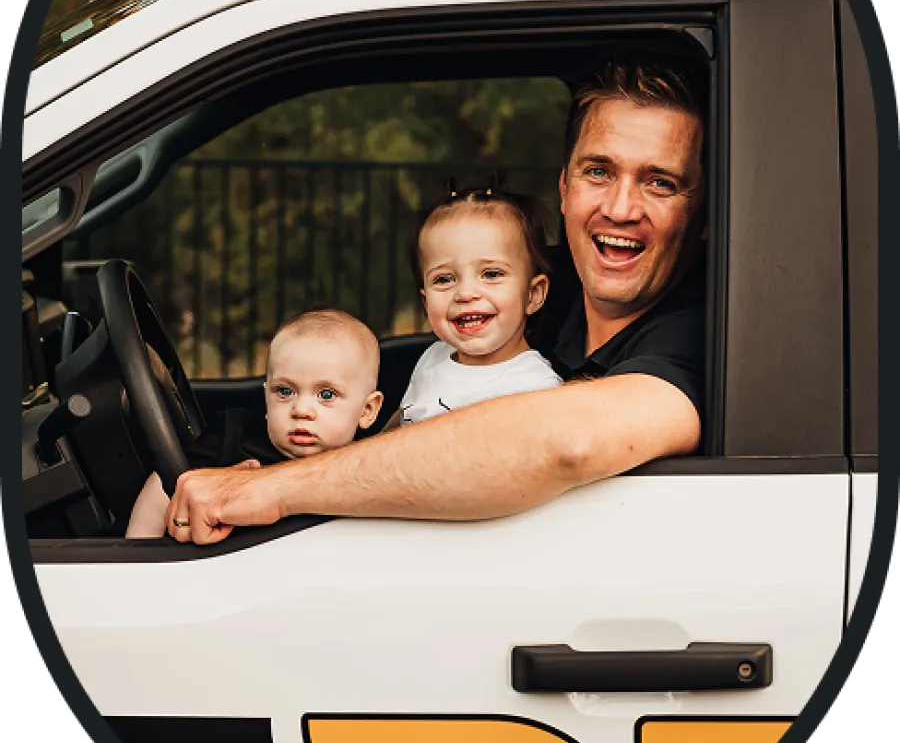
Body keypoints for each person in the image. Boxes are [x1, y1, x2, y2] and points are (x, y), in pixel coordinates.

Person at [164, 60, 706, 544]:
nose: (620, 208)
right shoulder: (549, 283)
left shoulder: (710, 334)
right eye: (599, 172)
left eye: (660, 183)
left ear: (702, 214)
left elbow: (568, 440)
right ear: (565, 187)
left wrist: (272, 489)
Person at [126, 308, 383, 537]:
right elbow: (167, 481)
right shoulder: (234, 437)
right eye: (285, 392)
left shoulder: (372, 469)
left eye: (326, 395)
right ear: (266, 397)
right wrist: (141, 545)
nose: (301, 410)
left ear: (367, 410)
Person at [385, 184, 562, 429]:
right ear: (426, 303)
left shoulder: (536, 389)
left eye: (491, 274)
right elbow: (402, 419)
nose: (465, 294)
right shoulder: (433, 356)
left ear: (533, 295)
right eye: (444, 279)